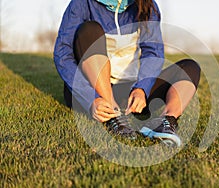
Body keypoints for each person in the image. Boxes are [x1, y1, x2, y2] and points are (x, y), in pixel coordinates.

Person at [54, 0, 201, 146]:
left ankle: (165, 122)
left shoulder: (148, 6)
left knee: (190, 68)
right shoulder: (82, 3)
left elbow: (153, 52)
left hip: (130, 91)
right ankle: (112, 112)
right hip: (95, 92)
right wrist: (91, 97)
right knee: (89, 29)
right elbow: (63, 54)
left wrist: (141, 88)